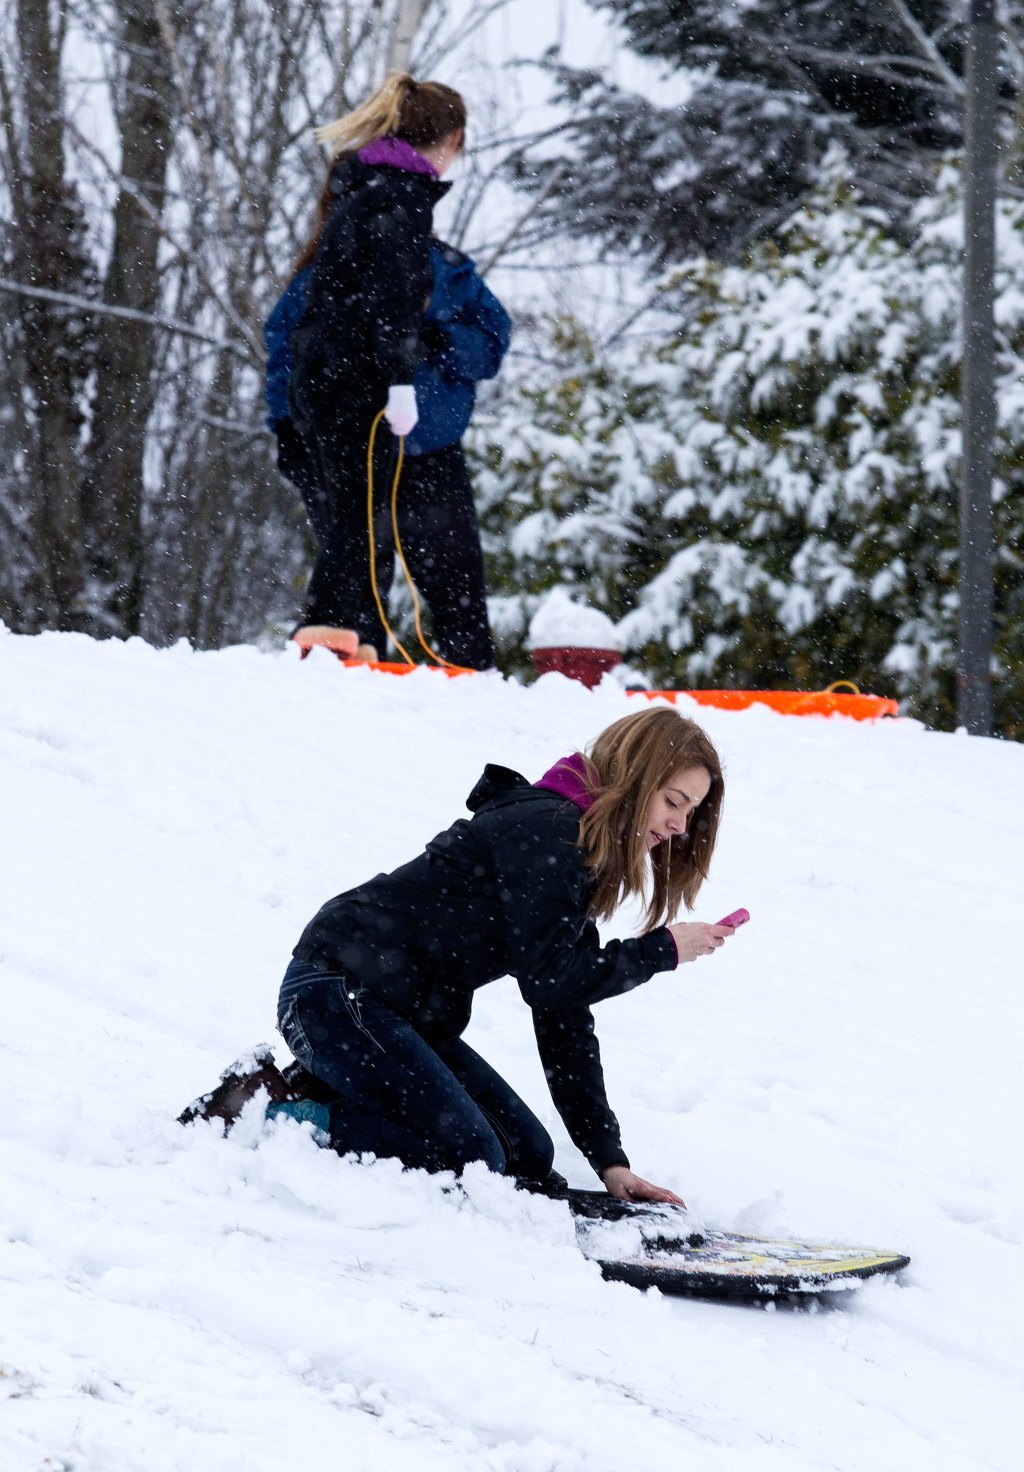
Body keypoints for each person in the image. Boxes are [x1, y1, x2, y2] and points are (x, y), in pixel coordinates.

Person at [180, 707, 740, 1204]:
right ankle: (262, 1117)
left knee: (525, 1155)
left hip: (392, 1011)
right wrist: (662, 950)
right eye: (673, 802)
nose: (679, 825)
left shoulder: (576, 845)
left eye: (690, 811)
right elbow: (551, 982)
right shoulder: (549, 831)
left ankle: (315, 1086)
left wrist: (608, 1158)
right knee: (468, 1157)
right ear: (635, 778)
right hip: (335, 991)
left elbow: (563, 1011)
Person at [275, 72, 501, 667]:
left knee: (427, 571)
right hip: (366, 406)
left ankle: (368, 650)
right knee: (356, 539)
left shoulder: (389, 214)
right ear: (451, 139)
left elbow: (487, 342)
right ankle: (334, 645)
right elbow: (371, 313)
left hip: (419, 441)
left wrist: (436, 341)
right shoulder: (394, 204)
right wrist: (398, 378)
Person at [264, 232, 509, 669]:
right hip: (346, 452)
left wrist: (439, 340)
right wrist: (287, 426)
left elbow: (491, 345)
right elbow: (286, 351)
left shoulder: (449, 270)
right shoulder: (326, 269)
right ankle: (351, 690)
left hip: (431, 452)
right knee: (356, 588)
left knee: (458, 592)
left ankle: (475, 690)